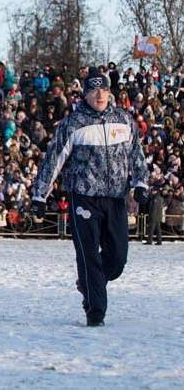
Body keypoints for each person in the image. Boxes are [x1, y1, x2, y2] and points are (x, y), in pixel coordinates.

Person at [32, 70, 149, 327]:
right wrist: (40, 195)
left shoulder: (124, 119)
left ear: (109, 92)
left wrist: (141, 183)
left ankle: (88, 282)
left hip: (115, 197)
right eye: (93, 90)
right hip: (83, 196)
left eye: (103, 89)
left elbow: (136, 155)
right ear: (85, 93)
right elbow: (54, 160)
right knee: (88, 255)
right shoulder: (74, 123)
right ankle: (95, 310)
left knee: (117, 259)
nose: (99, 94)